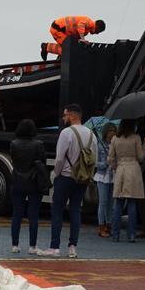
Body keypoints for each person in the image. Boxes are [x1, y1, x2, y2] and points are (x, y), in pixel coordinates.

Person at [41, 104, 96, 258]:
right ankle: (73, 247)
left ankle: (54, 247)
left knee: (57, 210)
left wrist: (56, 173)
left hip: (65, 176)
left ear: (72, 116)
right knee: (76, 210)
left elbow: (59, 158)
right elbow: (94, 159)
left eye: (65, 115)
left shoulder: (66, 133)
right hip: (82, 179)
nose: (63, 118)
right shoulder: (91, 134)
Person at [9, 118, 46, 254]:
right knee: (33, 215)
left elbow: (13, 160)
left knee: (17, 214)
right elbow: (42, 161)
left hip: (17, 181)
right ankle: (32, 246)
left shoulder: (14, 144)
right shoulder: (38, 144)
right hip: (33, 182)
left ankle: (15, 245)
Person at [109, 118, 145, 243]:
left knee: (118, 204)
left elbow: (111, 158)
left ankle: (115, 234)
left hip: (120, 169)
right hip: (133, 169)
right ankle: (131, 235)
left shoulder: (115, 139)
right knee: (132, 203)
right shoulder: (136, 138)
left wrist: (116, 167)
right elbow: (140, 157)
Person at [40, 16, 106, 60]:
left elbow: (75, 40)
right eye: (98, 31)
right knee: (69, 49)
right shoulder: (89, 22)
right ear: (97, 27)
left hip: (60, 30)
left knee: (71, 48)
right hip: (58, 29)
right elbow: (80, 25)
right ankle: (47, 48)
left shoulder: (86, 30)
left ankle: (47, 47)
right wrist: (83, 39)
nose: (97, 33)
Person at [94, 124, 117, 238]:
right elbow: (95, 163)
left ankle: (109, 225)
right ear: (106, 132)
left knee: (111, 203)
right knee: (103, 202)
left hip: (113, 176)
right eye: (110, 131)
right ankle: (101, 226)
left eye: (114, 130)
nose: (112, 133)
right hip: (102, 176)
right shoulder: (99, 146)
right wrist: (105, 163)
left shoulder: (115, 145)